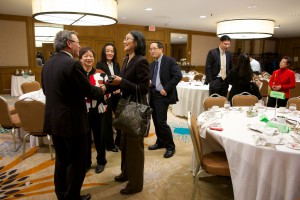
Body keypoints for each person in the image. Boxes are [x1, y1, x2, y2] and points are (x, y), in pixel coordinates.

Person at [42, 30, 105, 200]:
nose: (79, 45)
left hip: (54, 121)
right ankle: (72, 197)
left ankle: (62, 195)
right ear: (69, 44)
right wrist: (102, 89)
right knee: (77, 163)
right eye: (77, 42)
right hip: (72, 123)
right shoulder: (73, 64)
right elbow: (89, 91)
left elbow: (46, 91)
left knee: (61, 161)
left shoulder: (47, 64)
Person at [108, 30, 150, 195]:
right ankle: (126, 173)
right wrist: (115, 82)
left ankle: (136, 184)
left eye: (128, 39)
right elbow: (126, 83)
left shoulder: (141, 61)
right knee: (124, 145)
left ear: (137, 42)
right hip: (125, 106)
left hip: (136, 109)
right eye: (124, 38)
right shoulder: (126, 59)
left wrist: (122, 81)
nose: (124, 41)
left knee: (135, 149)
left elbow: (144, 89)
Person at [148, 41, 182, 158]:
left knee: (161, 121)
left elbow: (178, 75)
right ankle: (160, 141)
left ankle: (170, 146)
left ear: (161, 49)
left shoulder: (169, 61)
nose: (152, 51)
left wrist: (166, 89)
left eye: (154, 48)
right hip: (153, 94)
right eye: (150, 49)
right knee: (156, 121)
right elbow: (152, 78)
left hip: (163, 95)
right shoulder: (152, 64)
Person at [79, 47, 110, 174]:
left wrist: (97, 94)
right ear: (80, 58)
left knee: (100, 138)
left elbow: (108, 92)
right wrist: (97, 92)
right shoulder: (77, 73)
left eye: (91, 55)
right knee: (84, 139)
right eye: (85, 56)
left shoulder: (101, 74)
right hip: (81, 112)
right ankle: (86, 162)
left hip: (99, 111)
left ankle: (101, 161)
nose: (89, 58)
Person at [96, 43, 121, 151]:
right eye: (107, 51)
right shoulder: (100, 64)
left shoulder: (116, 64)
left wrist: (120, 88)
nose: (110, 53)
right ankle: (110, 145)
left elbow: (119, 78)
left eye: (112, 51)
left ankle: (119, 141)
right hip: (107, 95)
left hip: (117, 94)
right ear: (104, 52)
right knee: (107, 121)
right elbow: (101, 81)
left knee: (120, 118)